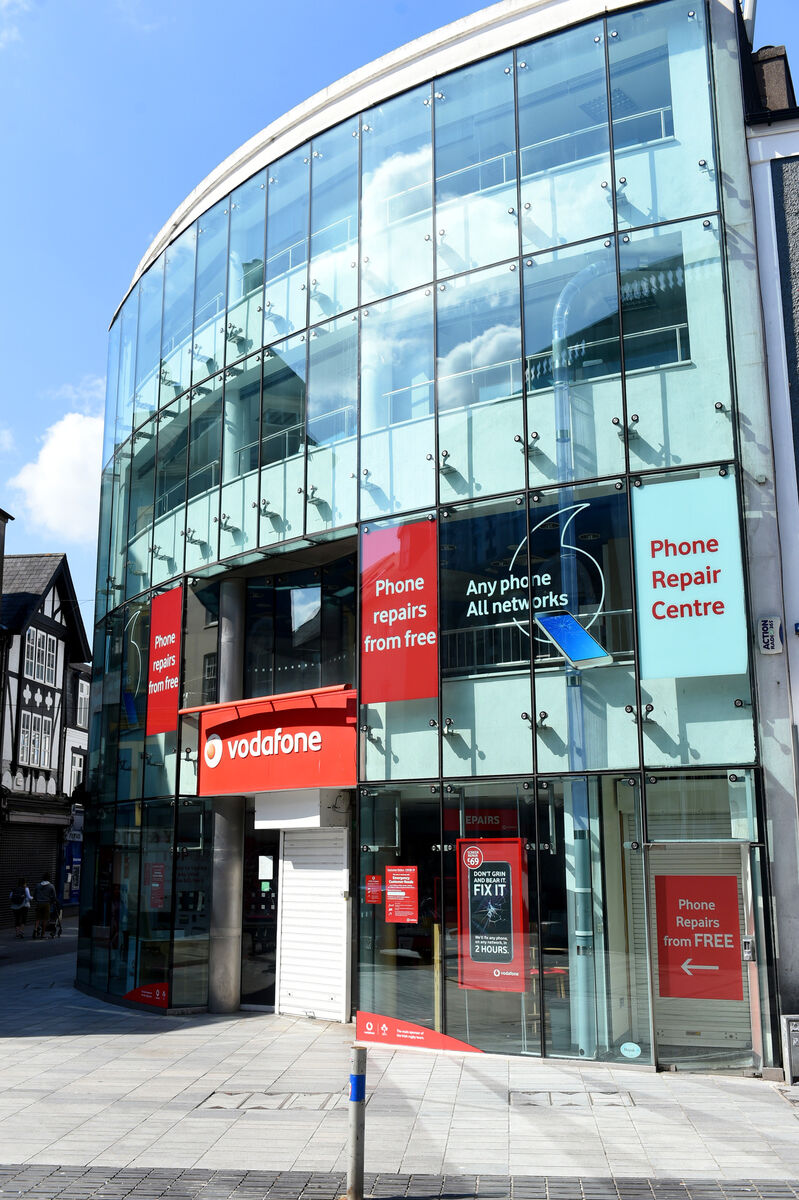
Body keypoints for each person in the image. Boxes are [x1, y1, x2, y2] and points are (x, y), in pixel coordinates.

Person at [32, 875, 57, 939]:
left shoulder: (38, 885)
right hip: (46, 903)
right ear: (49, 879)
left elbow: (34, 895)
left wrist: (37, 899)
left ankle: (35, 929)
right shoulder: (51, 886)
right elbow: (54, 896)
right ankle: (42, 934)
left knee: (38, 918)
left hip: (39, 903)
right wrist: (52, 901)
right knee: (45, 919)